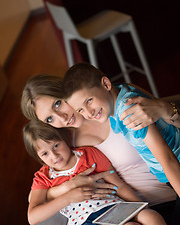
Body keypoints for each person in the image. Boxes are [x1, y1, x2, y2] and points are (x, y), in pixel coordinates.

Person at [21, 74, 176, 224]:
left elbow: (172, 127)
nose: (62, 117)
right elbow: (34, 196)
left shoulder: (110, 99)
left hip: (172, 190)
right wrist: (67, 187)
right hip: (132, 210)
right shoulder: (65, 144)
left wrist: (166, 109)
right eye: (49, 119)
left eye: (57, 103)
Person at [63, 62, 180, 199]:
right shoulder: (118, 95)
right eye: (80, 110)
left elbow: (168, 159)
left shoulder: (128, 111)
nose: (89, 113)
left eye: (89, 100)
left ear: (106, 84)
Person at [23, 120, 166, 225]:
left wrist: (140, 206)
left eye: (56, 145)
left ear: (64, 140)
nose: (54, 155)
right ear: (39, 158)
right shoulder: (43, 177)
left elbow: (119, 185)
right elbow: (33, 217)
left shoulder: (88, 154)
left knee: (150, 216)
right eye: (45, 154)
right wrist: (68, 197)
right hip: (84, 221)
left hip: (114, 208)